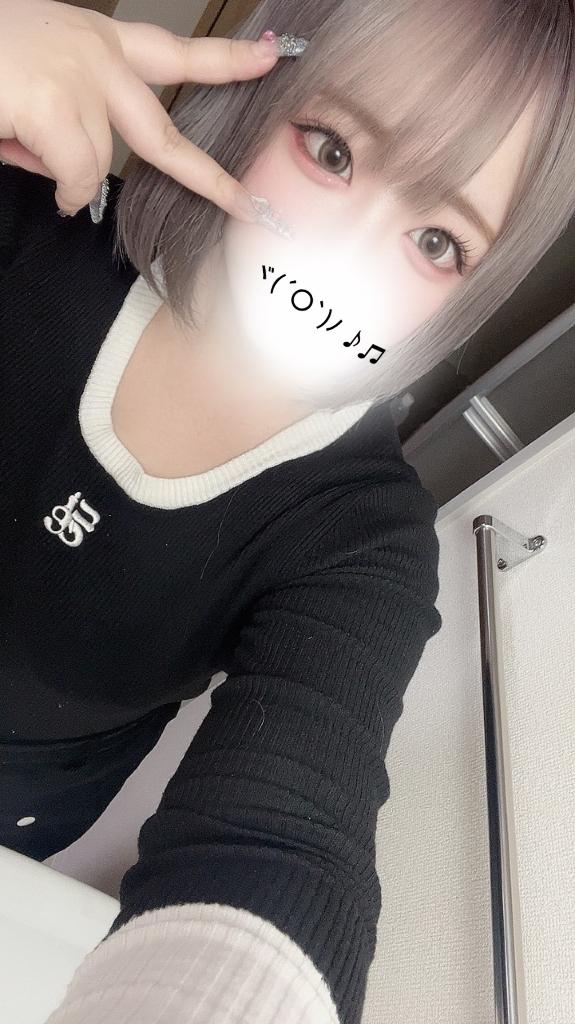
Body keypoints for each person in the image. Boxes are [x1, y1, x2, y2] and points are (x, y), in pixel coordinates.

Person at [0, 1, 573, 1022]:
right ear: (254, 95)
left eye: (436, 240)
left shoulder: (361, 540)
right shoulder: (33, 215)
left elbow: (283, 847)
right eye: (331, 149)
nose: (335, 252)